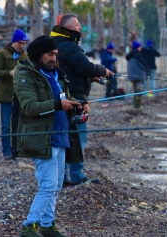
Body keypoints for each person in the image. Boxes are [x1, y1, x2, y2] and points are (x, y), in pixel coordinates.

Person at [14, 35, 82, 237]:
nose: (54, 58)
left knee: (56, 185)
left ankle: (47, 225)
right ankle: (29, 226)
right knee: (48, 185)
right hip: (42, 137)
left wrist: (77, 104)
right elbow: (29, 107)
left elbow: (62, 98)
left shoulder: (55, 74)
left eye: (56, 55)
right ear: (38, 54)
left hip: (61, 135)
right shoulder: (25, 74)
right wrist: (58, 105)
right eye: (50, 54)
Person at [50, 14, 113, 185]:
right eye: (77, 25)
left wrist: (90, 78)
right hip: (75, 98)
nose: (80, 28)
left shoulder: (56, 44)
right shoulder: (70, 46)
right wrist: (103, 71)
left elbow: (72, 70)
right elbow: (85, 67)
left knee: (64, 136)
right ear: (69, 28)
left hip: (62, 97)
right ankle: (76, 175)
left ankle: (62, 177)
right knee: (78, 136)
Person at [0, 29, 28, 160]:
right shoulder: (2, 54)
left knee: (18, 124)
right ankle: (6, 151)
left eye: (24, 43)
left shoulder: (25, 56)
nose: (22, 45)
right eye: (19, 42)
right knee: (6, 125)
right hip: (6, 96)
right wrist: (9, 73)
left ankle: (16, 151)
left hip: (20, 97)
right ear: (14, 41)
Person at [126, 40, 150, 109]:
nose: (141, 48)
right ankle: (138, 107)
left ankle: (135, 106)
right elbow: (143, 65)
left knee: (135, 91)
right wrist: (148, 70)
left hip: (132, 76)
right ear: (137, 48)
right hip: (138, 76)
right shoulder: (137, 55)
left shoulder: (131, 55)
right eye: (139, 47)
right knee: (139, 92)